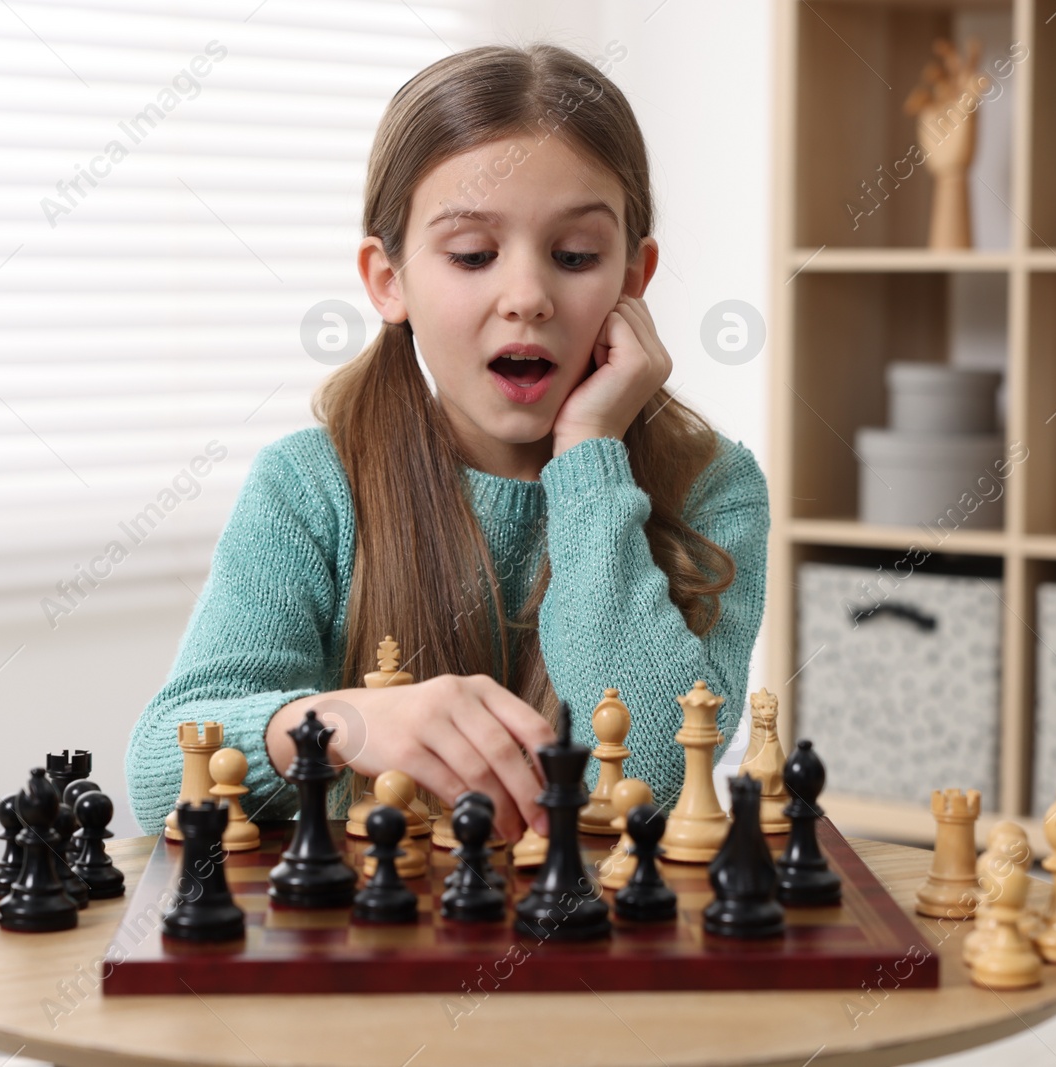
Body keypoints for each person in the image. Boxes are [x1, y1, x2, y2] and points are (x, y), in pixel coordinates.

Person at [124, 43, 769, 844]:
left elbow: (653, 767)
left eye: (575, 256)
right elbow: (161, 767)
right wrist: (350, 722)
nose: (528, 296)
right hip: (366, 951)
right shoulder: (311, 484)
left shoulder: (714, 487)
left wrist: (589, 457)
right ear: (387, 280)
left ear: (634, 277)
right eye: (472, 255)